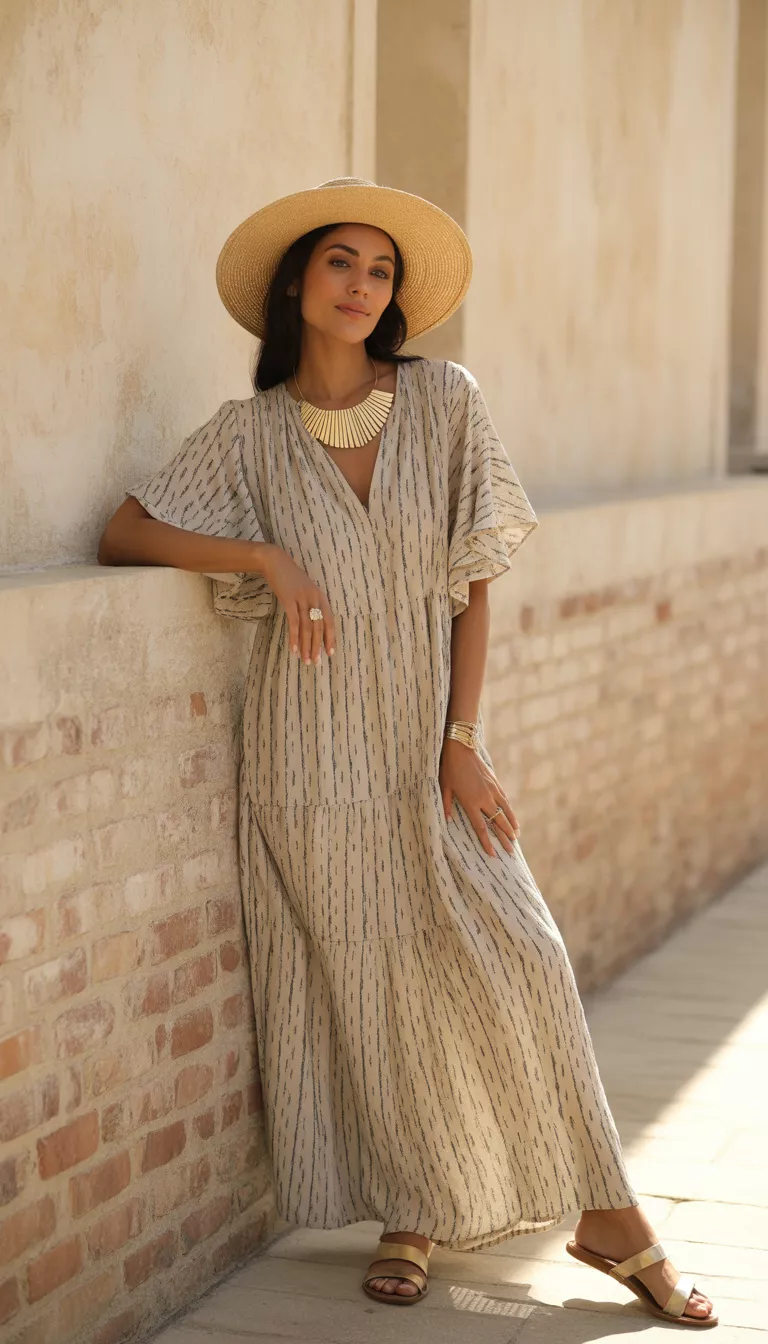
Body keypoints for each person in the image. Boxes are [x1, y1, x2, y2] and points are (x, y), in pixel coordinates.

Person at [98, 178, 716, 1326]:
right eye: (341, 263)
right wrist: (264, 559)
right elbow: (125, 530)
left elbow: (475, 582)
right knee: (379, 992)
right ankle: (412, 1214)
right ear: (297, 282)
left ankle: (609, 1216)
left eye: (380, 272)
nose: (362, 286)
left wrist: (463, 741)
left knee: (522, 958)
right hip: (306, 757)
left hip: (424, 754)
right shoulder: (249, 435)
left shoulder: (443, 403)